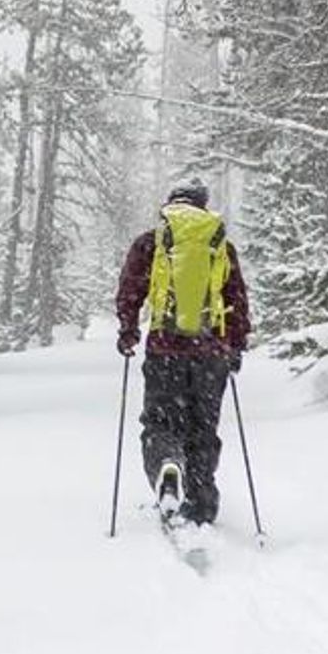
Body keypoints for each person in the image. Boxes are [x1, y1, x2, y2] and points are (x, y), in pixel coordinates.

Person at [114, 179, 252, 526]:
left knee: (160, 420)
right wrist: (235, 346)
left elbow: (130, 290)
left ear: (169, 203)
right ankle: (202, 501)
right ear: (203, 206)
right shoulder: (220, 245)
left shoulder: (152, 242)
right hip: (210, 354)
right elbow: (236, 300)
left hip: (165, 351)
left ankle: (167, 464)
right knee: (203, 426)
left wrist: (128, 331)